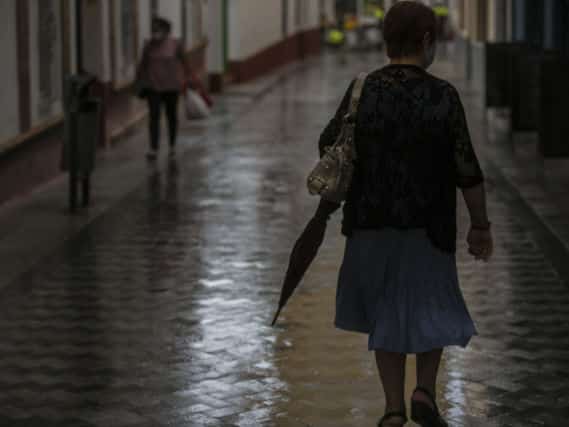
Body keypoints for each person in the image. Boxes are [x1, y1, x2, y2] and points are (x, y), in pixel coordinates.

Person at [317, 2, 493, 426]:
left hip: (370, 226)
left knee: (385, 313)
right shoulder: (443, 96)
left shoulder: (362, 91)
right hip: (429, 227)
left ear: (386, 41)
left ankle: (393, 408)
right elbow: (467, 167)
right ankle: (425, 391)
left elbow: (328, 144)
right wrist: (480, 226)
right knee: (432, 307)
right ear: (427, 41)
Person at [136, 17, 189, 160]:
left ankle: (172, 146)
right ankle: (153, 148)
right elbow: (142, 65)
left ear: (166, 30)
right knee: (154, 117)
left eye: (158, 29)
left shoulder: (175, 44)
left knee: (171, 116)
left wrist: (187, 80)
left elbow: (185, 63)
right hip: (153, 87)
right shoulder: (148, 45)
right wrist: (139, 83)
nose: (155, 32)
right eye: (153, 29)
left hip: (171, 87)